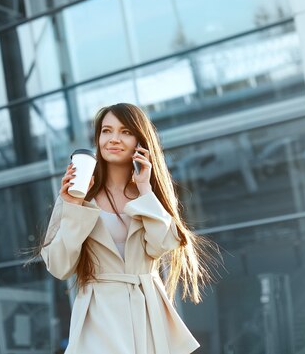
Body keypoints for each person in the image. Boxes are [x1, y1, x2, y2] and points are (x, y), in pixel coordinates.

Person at [39, 103, 214, 354]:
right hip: (99, 313)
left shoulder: (148, 196)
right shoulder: (77, 197)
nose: (113, 139)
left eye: (125, 132)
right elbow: (59, 266)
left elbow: (162, 246)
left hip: (147, 312)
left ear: (140, 142)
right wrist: (74, 206)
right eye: (106, 131)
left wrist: (144, 189)